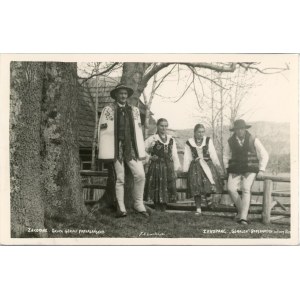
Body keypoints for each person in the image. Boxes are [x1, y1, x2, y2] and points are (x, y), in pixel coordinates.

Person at [97, 84, 149, 218]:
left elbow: (138, 131)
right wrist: (105, 150)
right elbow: (103, 132)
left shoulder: (134, 110)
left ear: (128, 95)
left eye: (125, 93)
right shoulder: (109, 110)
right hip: (116, 147)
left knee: (140, 175)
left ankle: (138, 203)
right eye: (120, 93)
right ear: (116, 95)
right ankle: (121, 207)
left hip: (131, 147)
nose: (123, 96)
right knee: (120, 178)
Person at [223, 119, 269, 225]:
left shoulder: (253, 139)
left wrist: (262, 169)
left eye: (242, 129)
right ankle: (242, 211)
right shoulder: (230, 141)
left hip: (250, 168)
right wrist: (226, 168)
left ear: (245, 129)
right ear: (234, 130)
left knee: (246, 188)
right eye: (237, 129)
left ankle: (243, 217)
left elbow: (264, 154)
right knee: (230, 188)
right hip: (235, 168)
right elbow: (225, 155)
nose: (240, 131)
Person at [183, 124, 223, 215]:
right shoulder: (189, 142)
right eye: (199, 132)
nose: (201, 134)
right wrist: (185, 170)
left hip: (208, 164)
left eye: (202, 132)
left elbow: (213, 154)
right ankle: (198, 208)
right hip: (196, 166)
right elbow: (187, 157)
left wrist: (218, 165)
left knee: (208, 182)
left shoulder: (208, 140)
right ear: (195, 132)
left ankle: (208, 200)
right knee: (196, 185)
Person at [144, 118, 181, 211]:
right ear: (157, 126)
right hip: (157, 167)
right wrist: (149, 157)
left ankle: (164, 209)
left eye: (165, 126)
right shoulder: (152, 139)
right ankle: (157, 208)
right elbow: (141, 150)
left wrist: (176, 169)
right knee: (157, 186)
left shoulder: (171, 139)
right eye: (161, 126)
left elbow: (174, 154)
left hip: (168, 166)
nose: (164, 128)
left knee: (167, 186)